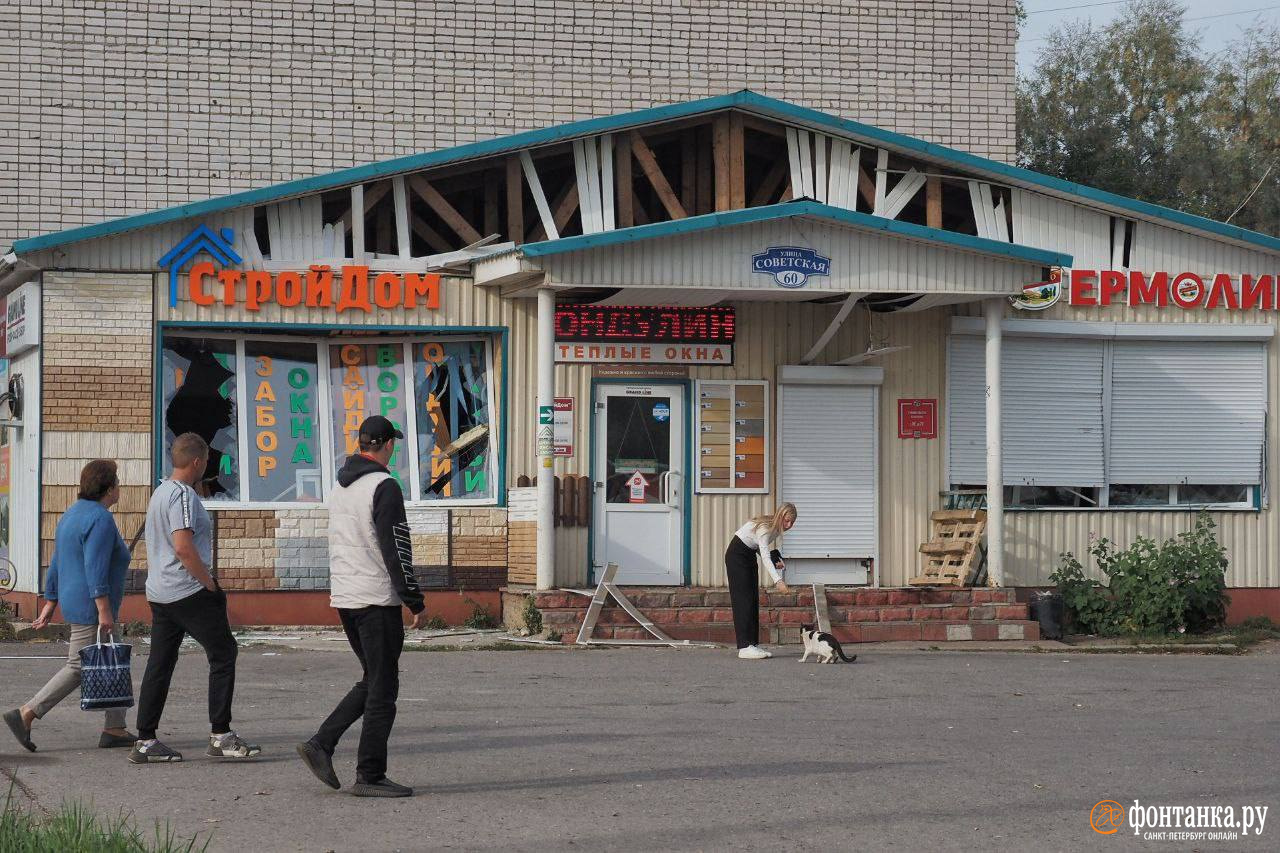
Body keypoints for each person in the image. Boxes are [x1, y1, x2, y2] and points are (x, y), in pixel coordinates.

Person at [297, 415, 427, 798]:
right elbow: (396, 547)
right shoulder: (384, 486)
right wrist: (414, 599)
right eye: (393, 444)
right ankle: (369, 775)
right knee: (383, 689)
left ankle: (321, 744)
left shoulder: (341, 487)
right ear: (387, 445)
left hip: (346, 597)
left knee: (374, 678)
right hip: (375, 599)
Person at [130, 432, 259, 764]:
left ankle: (145, 740)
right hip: (187, 590)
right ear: (198, 461)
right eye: (206, 461)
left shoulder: (160, 491)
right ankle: (221, 735)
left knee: (160, 663)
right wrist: (209, 585)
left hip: (160, 592)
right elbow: (183, 547)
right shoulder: (183, 495)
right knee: (223, 652)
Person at [4, 461, 136, 751]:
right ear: (108, 488)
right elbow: (95, 567)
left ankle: (115, 727)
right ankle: (26, 713)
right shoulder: (100, 519)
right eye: (117, 483)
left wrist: (50, 602)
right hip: (93, 605)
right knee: (79, 666)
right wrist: (104, 611)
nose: (119, 488)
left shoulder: (71, 515)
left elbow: (57, 561)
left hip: (78, 600)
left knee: (115, 661)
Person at [725, 503, 797, 660]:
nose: (789, 525)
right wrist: (778, 581)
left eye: (792, 522)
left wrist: (774, 559)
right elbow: (764, 556)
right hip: (736, 556)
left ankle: (752, 644)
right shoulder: (765, 528)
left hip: (748, 555)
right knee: (743, 600)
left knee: (752, 599)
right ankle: (744, 647)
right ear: (780, 516)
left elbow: (758, 547)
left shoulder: (775, 528)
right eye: (786, 521)